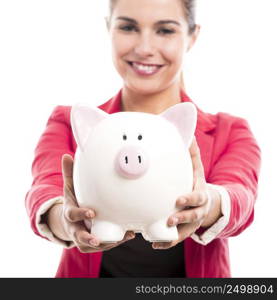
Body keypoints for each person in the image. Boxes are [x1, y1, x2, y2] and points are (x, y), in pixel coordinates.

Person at [25, 0, 261, 278]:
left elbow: (240, 196)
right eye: (128, 27)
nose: (145, 48)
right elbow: (45, 189)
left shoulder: (230, 131)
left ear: (192, 35)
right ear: (108, 28)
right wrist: (65, 219)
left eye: (165, 30)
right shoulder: (69, 122)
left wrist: (207, 204)